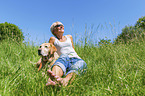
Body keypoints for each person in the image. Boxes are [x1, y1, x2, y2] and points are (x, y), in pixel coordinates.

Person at [46, 21, 87, 86]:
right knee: (63, 57)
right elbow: (49, 50)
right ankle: (52, 80)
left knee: (81, 63)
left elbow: (73, 49)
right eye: (58, 25)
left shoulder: (69, 37)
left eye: (62, 25)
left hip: (76, 58)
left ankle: (65, 81)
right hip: (64, 58)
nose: (61, 26)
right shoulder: (53, 39)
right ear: (54, 30)